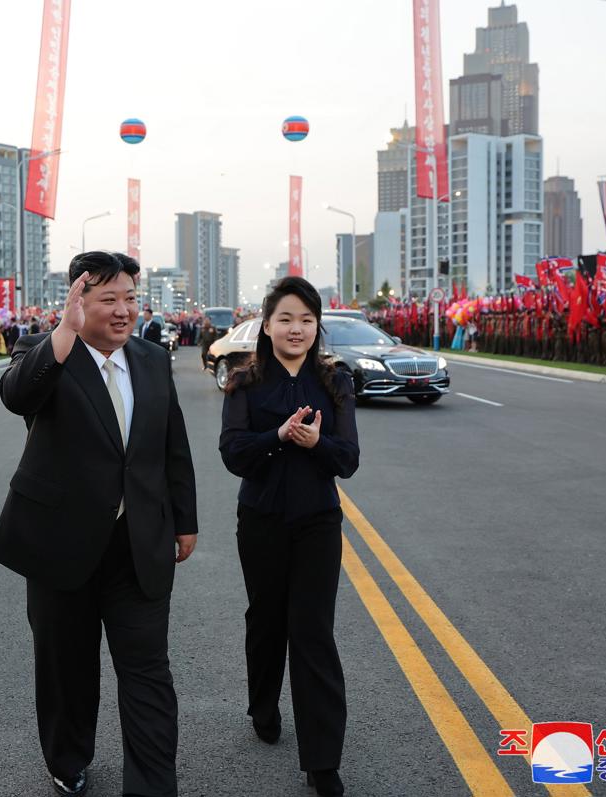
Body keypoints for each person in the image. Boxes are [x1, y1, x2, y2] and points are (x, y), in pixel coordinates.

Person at [0, 251, 198, 797]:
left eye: (130, 297)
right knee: (66, 670)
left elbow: (171, 446)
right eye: (110, 299)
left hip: (138, 547)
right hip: (62, 548)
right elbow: (16, 395)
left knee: (147, 674)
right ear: (79, 302)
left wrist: (185, 520)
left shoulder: (152, 360)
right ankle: (68, 758)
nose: (124, 310)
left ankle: (152, 787)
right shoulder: (46, 354)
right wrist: (63, 335)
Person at [218, 276, 360, 797]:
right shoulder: (244, 380)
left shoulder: (336, 381)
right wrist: (277, 438)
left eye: (306, 319)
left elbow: (348, 460)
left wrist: (318, 444)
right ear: (267, 324)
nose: (296, 328)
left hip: (317, 522)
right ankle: (263, 704)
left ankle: (322, 761)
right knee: (267, 618)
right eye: (286, 318)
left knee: (313, 633)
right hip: (261, 520)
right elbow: (233, 453)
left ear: (317, 325)